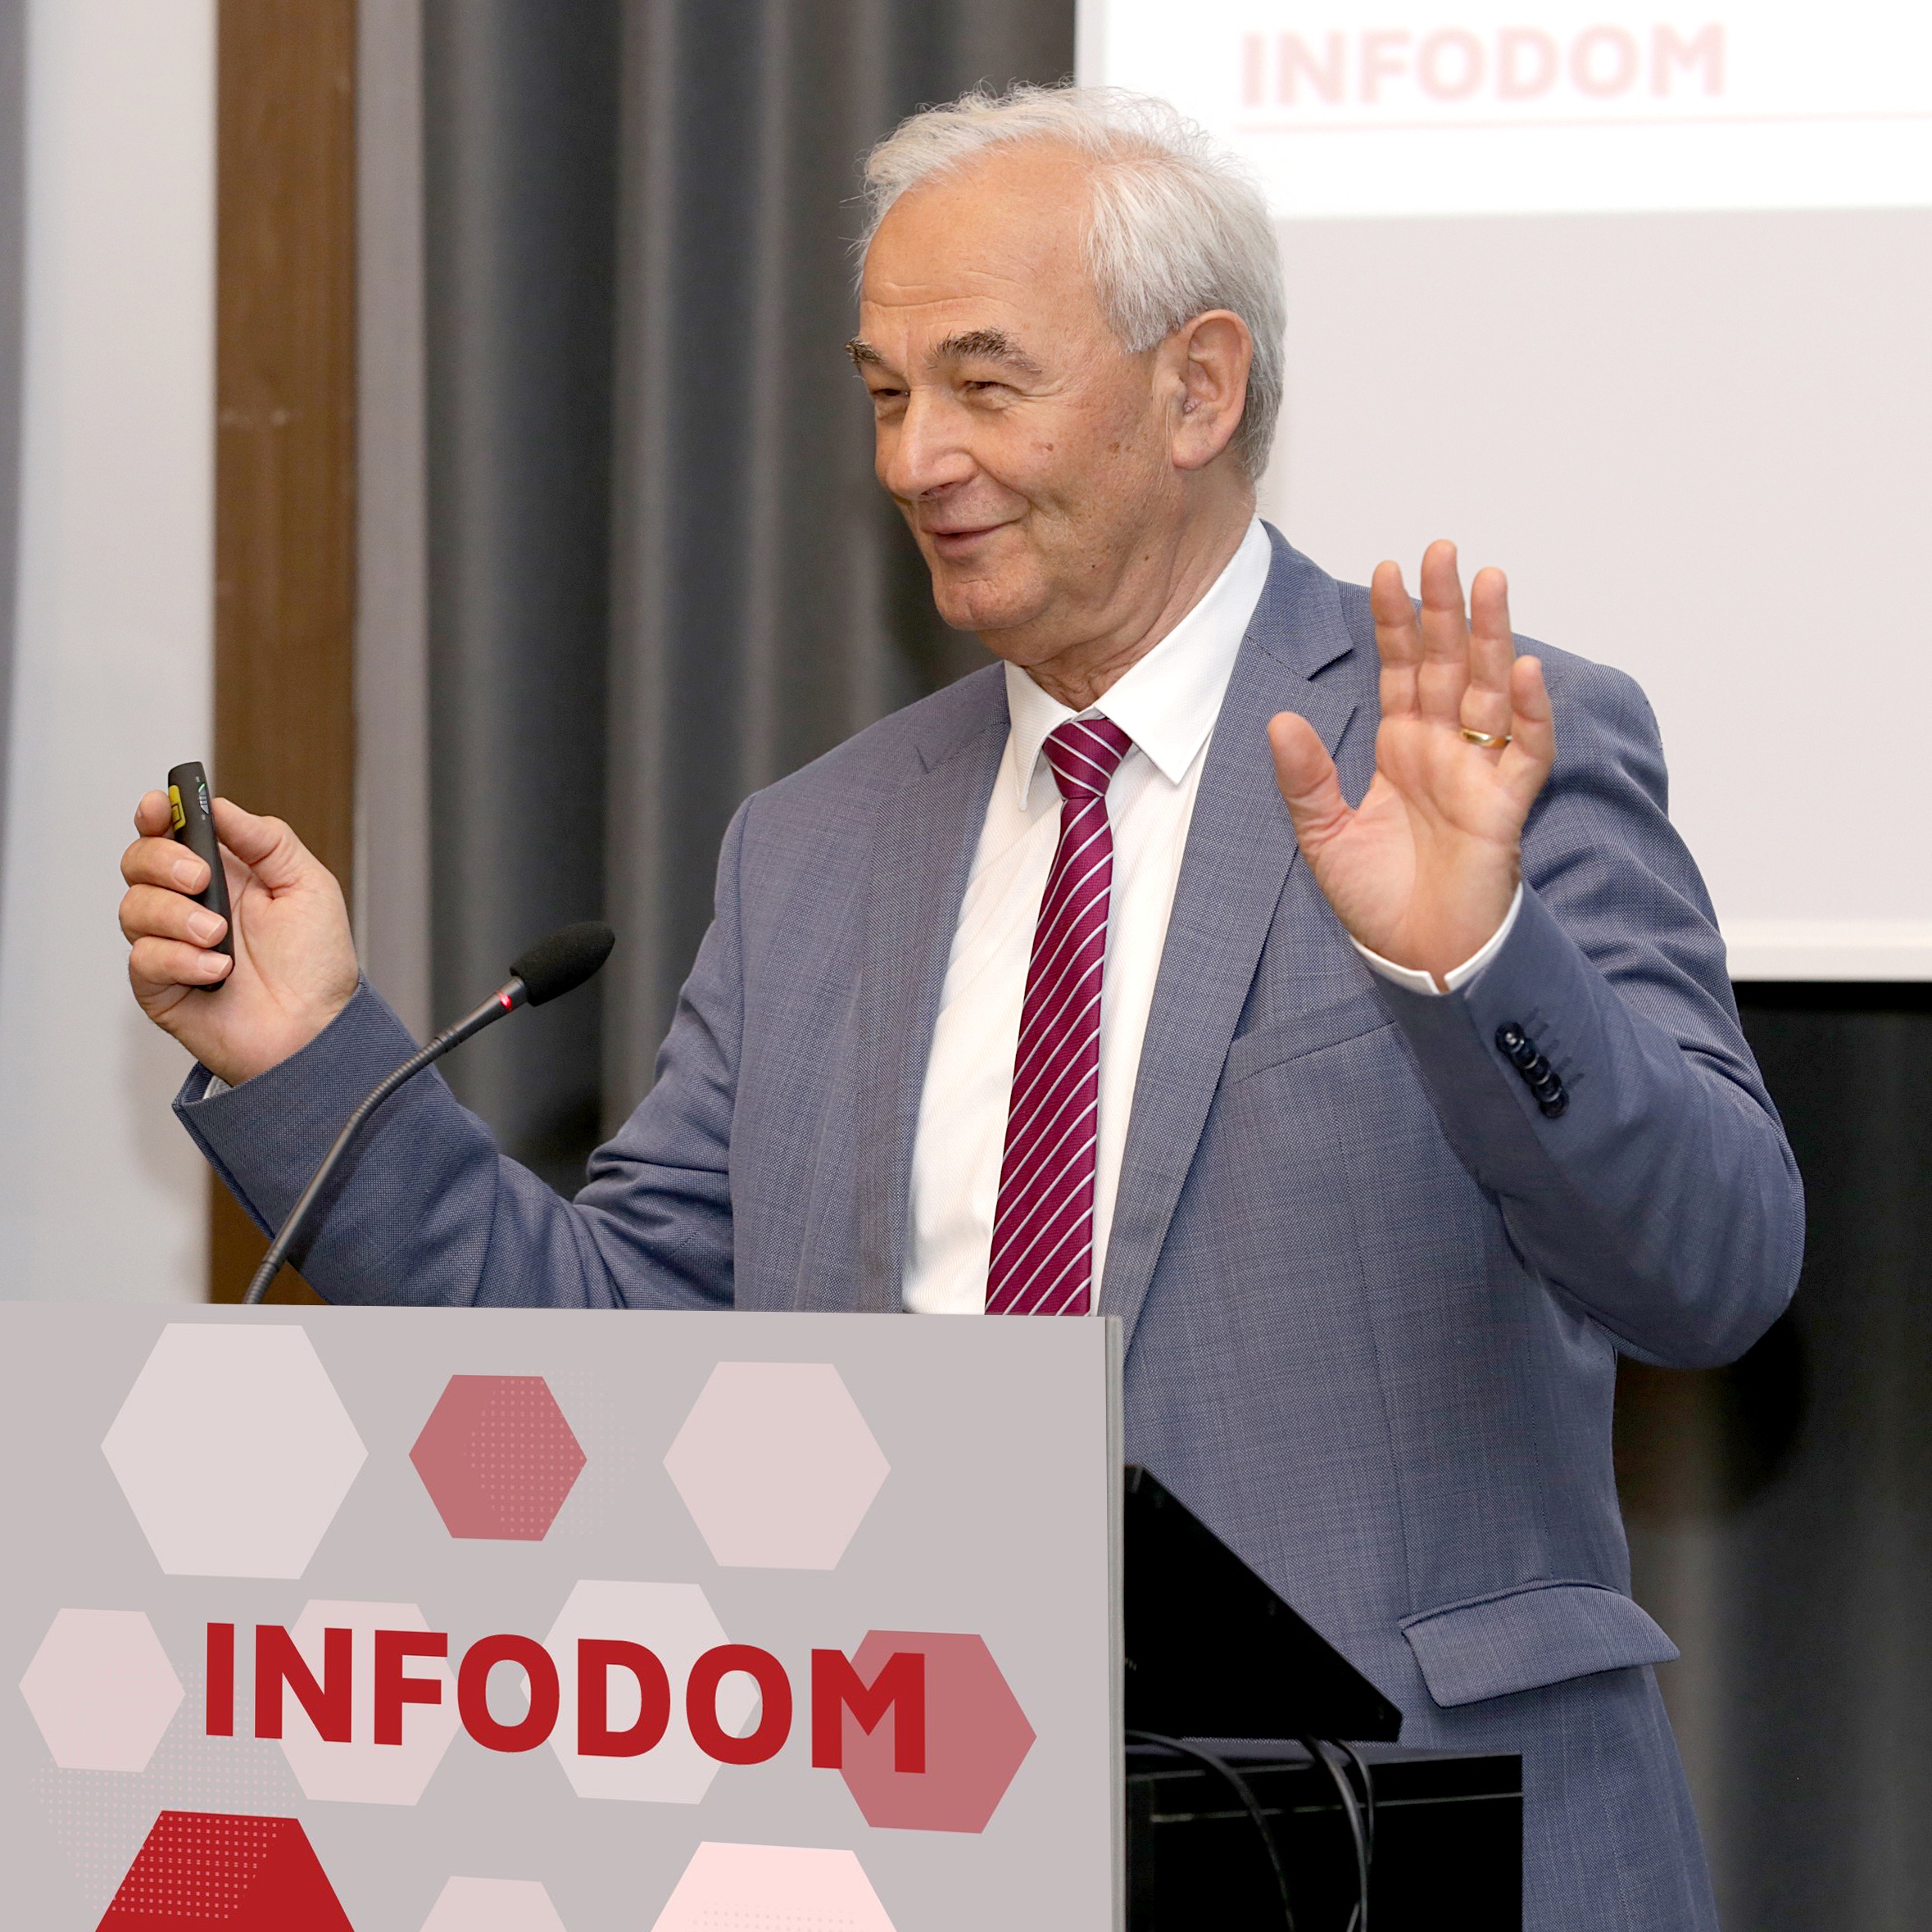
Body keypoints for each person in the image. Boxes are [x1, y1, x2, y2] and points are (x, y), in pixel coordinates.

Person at [118, 86, 1798, 1929]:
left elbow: (1712, 1271)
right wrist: (312, 1064)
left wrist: (1468, 965)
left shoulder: (1468, 748)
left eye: (985, 386)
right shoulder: (813, 848)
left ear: (1199, 386)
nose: (919, 458)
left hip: (1412, 1848)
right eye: (885, 393)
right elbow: (620, 1354)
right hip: (913, 1838)